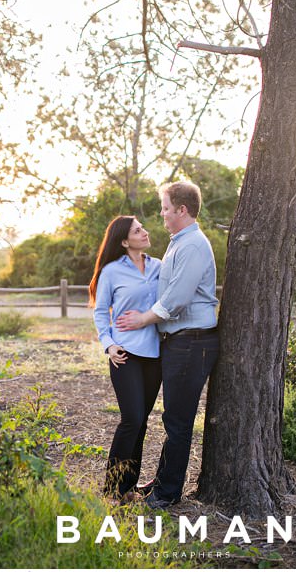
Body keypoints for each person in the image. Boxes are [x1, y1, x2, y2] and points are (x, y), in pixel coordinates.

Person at [115, 181, 220, 509]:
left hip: (192, 341)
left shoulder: (193, 246)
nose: (161, 213)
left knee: (178, 420)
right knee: (172, 416)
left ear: (181, 210)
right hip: (180, 341)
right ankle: (162, 482)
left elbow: (176, 299)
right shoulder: (180, 243)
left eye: (164, 207)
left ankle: (167, 492)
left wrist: (142, 319)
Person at [89, 216, 162, 503]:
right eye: (137, 230)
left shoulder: (159, 267)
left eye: (143, 227)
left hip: (155, 355)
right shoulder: (111, 271)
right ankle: (111, 489)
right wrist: (108, 345)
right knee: (131, 419)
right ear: (124, 241)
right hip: (125, 355)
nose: (144, 232)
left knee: (142, 422)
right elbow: (100, 311)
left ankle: (128, 488)